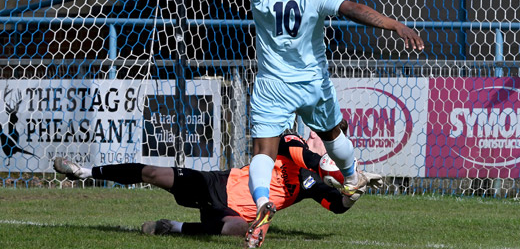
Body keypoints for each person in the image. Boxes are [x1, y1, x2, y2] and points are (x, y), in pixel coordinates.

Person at [164, 0, 424, 248]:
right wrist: (394, 25)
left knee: (263, 153)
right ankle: (350, 176)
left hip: (272, 84)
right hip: (312, 84)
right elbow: (353, 10)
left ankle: (262, 202)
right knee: (333, 136)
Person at [53, 133, 372, 239]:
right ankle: (83, 171)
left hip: (231, 211)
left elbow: (336, 206)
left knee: (239, 226)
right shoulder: (290, 144)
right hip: (215, 183)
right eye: (318, 136)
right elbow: (298, 150)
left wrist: (353, 193)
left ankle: (173, 228)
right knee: (153, 173)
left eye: (323, 139)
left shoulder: (310, 185)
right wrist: (326, 165)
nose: (317, 138)